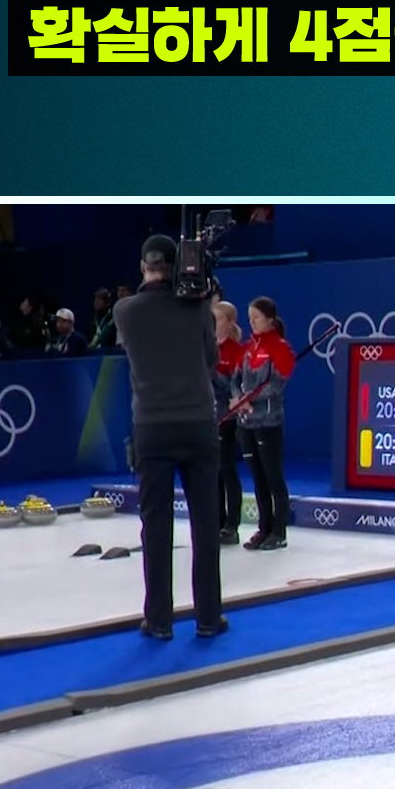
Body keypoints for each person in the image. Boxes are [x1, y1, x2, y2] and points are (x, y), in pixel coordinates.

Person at [112, 235, 226, 640]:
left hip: (152, 428)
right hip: (197, 424)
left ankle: (159, 620)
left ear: (143, 266)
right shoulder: (197, 312)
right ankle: (209, 617)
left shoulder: (124, 311)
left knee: (156, 526)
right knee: (205, 524)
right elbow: (211, 360)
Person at [233, 296, 295, 550]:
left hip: (268, 422)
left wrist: (252, 399)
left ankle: (278, 530)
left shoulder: (281, 348)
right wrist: (238, 397)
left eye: (256, 318)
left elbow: (277, 384)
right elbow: (235, 379)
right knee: (257, 478)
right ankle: (264, 527)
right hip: (245, 422)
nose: (252, 323)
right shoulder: (248, 348)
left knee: (272, 476)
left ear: (270, 319)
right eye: (249, 319)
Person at [211, 300, 245, 544]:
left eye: (218, 319)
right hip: (207, 417)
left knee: (227, 470)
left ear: (229, 322)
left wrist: (211, 372)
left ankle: (232, 524)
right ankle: (216, 521)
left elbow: (235, 388)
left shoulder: (237, 352)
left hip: (228, 418)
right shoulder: (207, 348)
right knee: (212, 473)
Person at [87, 288, 118, 353]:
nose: (96, 302)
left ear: (108, 303)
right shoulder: (93, 318)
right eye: (95, 299)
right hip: (94, 353)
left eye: (100, 299)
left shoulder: (113, 317)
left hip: (110, 352)